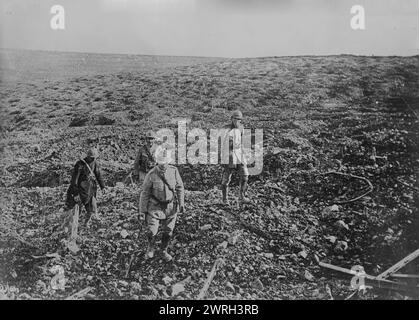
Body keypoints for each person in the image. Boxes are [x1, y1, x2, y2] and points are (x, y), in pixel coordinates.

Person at [139, 148, 185, 262]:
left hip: (170, 207)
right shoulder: (151, 174)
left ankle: (163, 250)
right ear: (157, 161)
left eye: (165, 162)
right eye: (160, 162)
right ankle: (151, 248)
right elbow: (145, 193)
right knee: (151, 230)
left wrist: (182, 203)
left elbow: (180, 188)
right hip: (154, 207)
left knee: (169, 230)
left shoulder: (174, 171)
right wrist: (142, 210)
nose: (163, 165)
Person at [65, 147, 105, 227]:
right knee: (76, 210)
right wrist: (76, 193)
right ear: (88, 157)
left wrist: (102, 186)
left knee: (91, 209)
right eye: (92, 158)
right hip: (79, 189)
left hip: (89, 189)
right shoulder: (79, 164)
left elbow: (98, 175)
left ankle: (86, 224)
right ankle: (71, 226)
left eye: (95, 158)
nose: (94, 159)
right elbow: (74, 180)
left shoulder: (95, 163)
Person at [220, 110, 250, 205]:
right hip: (228, 155)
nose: (237, 121)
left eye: (239, 119)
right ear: (232, 119)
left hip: (239, 154)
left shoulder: (241, 128)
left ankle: (241, 196)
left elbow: (241, 141)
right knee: (226, 179)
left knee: (245, 175)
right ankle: (225, 199)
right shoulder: (225, 129)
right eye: (235, 119)